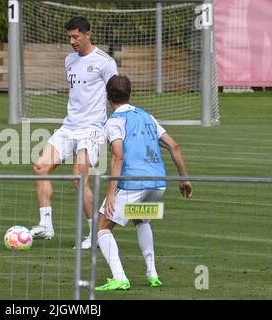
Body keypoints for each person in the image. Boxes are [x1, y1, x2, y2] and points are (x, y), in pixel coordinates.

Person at [95, 75, 193, 291]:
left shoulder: (114, 122)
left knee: (102, 227)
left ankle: (120, 278)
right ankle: (152, 274)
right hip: (158, 183)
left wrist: (111, 193)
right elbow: (174, 146)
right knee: (140, 219)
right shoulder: (148, 116)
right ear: (131, 94)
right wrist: (184, 179)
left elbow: (118, 155)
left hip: (133, 183)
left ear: (107, 97)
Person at [30, 16, 118, 249]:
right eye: (69, 37)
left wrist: (116, 127)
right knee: (40, 167)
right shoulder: (69, 60)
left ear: (88, 34)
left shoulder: (105, 62)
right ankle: (46, 224)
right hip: (69, 126)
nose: (72, 41)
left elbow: (115, 95)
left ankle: (95, 233)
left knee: (79, 179)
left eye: (76, 36)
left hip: (92, 129)